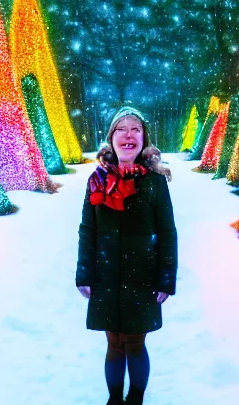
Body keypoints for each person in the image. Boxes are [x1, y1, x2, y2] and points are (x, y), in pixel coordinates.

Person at [76, 106, 178, 405]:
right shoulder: (96, 180)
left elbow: (168, 232)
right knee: (113, 342)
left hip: (142, 276)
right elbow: (87, 230)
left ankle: (135, 398)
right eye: (121, 129)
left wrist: (166, 278)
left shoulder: (155, 182)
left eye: (135, 129)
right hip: (105, 273)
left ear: (144, 138)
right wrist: (84, 273)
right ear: (111, 138)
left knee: (134, 342)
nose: (128, 135)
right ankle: (113, 399)